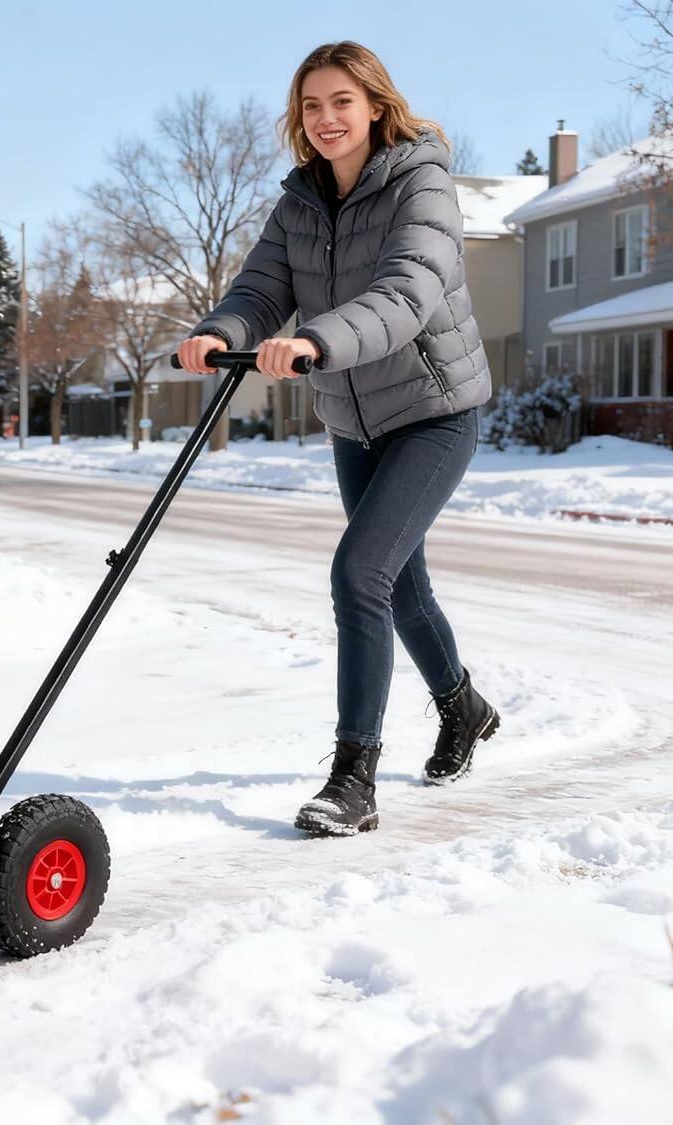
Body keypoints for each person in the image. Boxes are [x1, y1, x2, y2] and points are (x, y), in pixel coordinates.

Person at [176, 40, 500, 837]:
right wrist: (220, 330)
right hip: (355, 418)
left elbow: (405, 293)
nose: (326, 119)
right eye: (312, 106)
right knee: (401, 587)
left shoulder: (423, 183)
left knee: (360, 572)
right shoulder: (299, 202)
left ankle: (353, 777)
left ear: (376, 106)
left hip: (433, 409)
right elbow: (260, 288)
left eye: (342, 102)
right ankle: (464, 707)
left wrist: (317, 340)